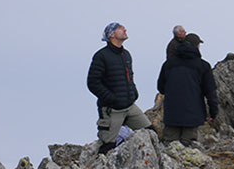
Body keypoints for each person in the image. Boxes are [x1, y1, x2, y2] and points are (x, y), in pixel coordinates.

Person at [87, 22, 151, 153]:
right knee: (108, 145)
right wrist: (111, 99)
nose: (125, 29)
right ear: (112, 35)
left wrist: (134, 93)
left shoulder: (126, 54)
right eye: (120, 28)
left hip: (129, 106)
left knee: (150, 133)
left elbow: (130, 77)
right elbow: (92, 82)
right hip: (112, 109)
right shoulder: (101, 56)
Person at [156, 33, 219, 145]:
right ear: (197, 46)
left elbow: (161, 88)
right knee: (188, 147)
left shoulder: (168, 64)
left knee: (169, 147)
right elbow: (210, 92)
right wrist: (214, 113)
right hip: (192, 115)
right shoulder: (203, 66)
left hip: (172, 114)